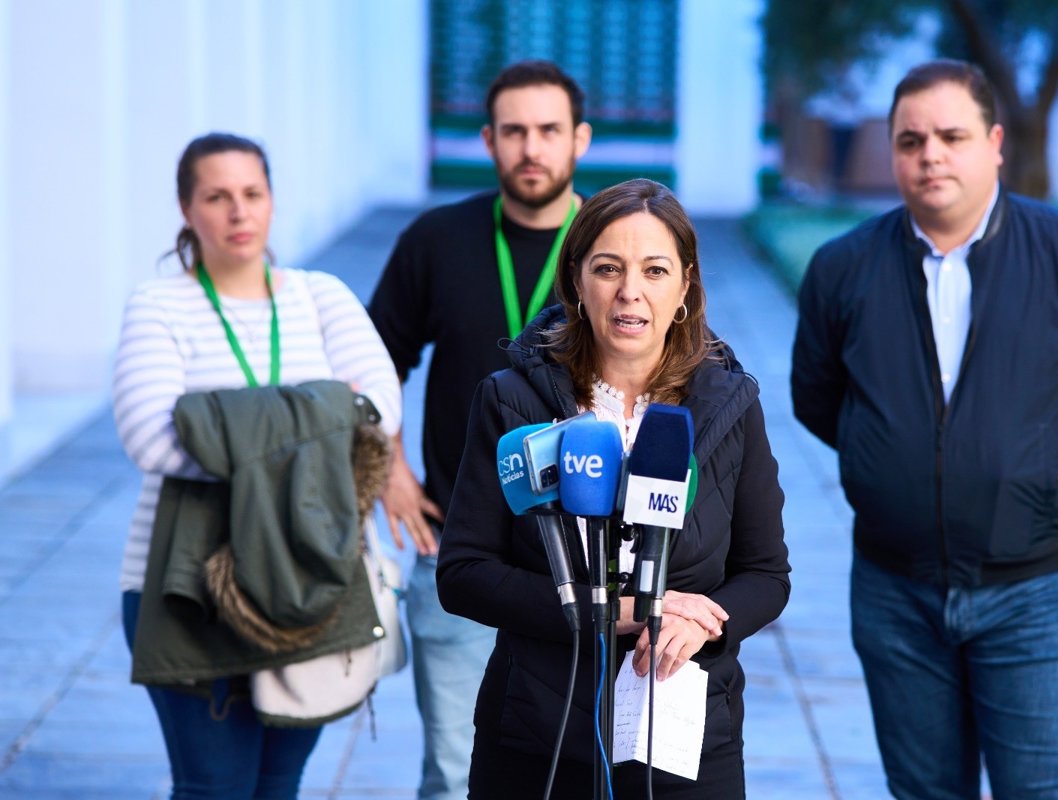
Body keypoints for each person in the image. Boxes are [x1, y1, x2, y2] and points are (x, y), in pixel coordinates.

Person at [790, 59, 1058, 800]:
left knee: (1046, 793)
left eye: (951, 136)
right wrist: (890, 462)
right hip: (895, 593)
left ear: (995, 143)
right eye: (910, 141)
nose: (930, 155)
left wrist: (1048, 475)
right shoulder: (841, 268)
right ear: (893, 152)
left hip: (1032, 596)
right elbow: (817, 397)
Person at [436, 178, 792, 798]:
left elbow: (766, 575)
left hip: (684, 739)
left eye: (655, 270)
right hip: (538, 733)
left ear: (685, 286)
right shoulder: (511, 401)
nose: (631, 291)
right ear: (576, 280)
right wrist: (620, 614)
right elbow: (464, 574)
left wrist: (704, 624)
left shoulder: (730, 405)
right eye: (608, 268)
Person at [112, 132, 401, 799]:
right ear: (187, 209)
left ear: (271, 201)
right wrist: (320, 415)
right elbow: (152, 439)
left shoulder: (320, 296)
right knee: (212, 788)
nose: (238, 212)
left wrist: (222, 421)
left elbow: (379, 415)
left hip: (313, 578)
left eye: (252, 193)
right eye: (217, 197)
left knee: (278, 786)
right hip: (186, 583)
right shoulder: (158, 305)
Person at [366, 60, 592, 800]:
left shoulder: (615, 244)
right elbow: (371, 364)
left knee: (584, 777)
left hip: (592, 559)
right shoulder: (438, 238)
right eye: (514, 131)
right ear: (490, 140)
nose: (532, 147)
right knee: (455, 776)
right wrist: (390, 470)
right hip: (461, 550)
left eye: (549, 130)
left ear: (580, 140)